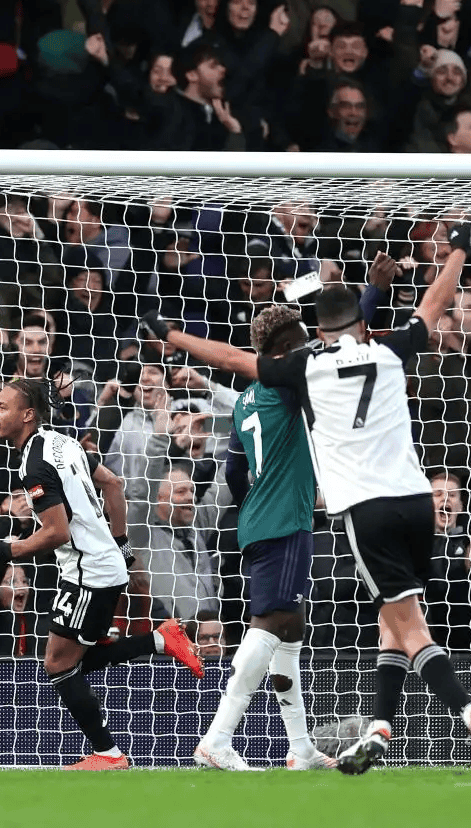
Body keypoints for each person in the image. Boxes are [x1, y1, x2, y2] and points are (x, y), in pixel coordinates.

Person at [144, 220, 471, 777]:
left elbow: (234, 381)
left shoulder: (284, 382)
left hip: (314, 513)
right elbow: (429, 311)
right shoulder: (384, 355)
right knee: (328, 624)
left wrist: (173, 336)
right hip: (405, 502)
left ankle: (322, 742)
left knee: (340, 624)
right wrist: (454, 253)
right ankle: (230, 739)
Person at [0, 378, 205, 771]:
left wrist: (5, 550)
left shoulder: (34, 465)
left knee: (58, 664)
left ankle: (109, 753)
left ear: (27, 415)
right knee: (74, 659)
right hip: (101, 566)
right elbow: (113, 484)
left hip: (88, 574)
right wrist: (122, 547)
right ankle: (159, 639)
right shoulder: (63, 442)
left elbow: (56, 532)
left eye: (2, 407)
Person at [194, 304, 331, 772]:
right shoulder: (287, 385)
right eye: (297, 340)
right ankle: (218, 738)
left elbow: (234, 467)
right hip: (284, 521)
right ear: (282, 350)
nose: (305, 344)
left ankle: (301, 747)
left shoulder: (247, 398)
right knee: (270, 625)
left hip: (256, 519)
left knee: (292, 629)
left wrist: (258, 497)